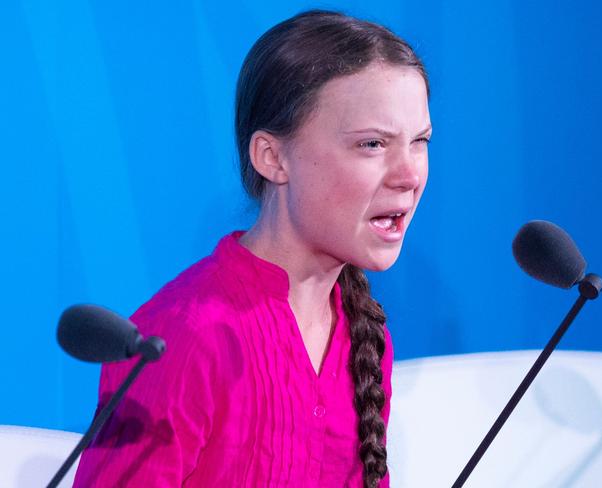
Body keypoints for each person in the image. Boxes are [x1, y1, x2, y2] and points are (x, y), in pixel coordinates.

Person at [72, 9, 430, 488]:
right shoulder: (184, 336)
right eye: (372, 144)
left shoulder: (366, 339)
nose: (409, 175)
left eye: (420, 142)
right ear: (272, 157)